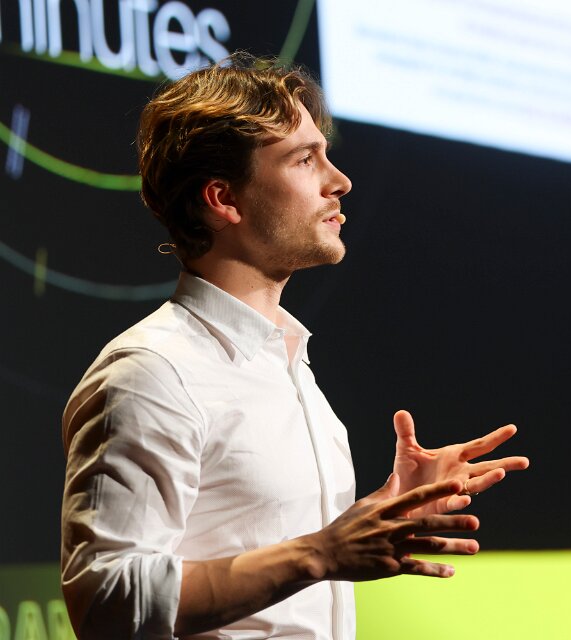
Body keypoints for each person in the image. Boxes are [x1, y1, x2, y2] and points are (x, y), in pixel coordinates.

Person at [60, 53, 529, 640]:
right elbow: (106, 601)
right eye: (305, 159)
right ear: (223, 199)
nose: (340, 181)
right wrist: (320, 552)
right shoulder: (152, 372)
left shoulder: (286, 361)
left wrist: (384, 511)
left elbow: (276, 563)